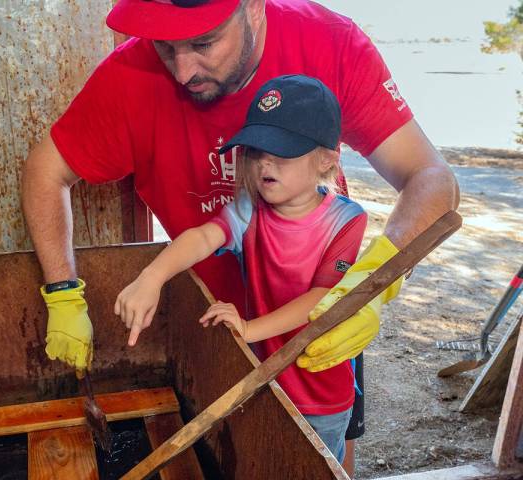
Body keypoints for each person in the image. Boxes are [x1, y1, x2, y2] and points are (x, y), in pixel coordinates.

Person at [21, 0, 459, 473]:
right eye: (166, 48)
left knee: (324, 455)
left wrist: (373, 283)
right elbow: (46, 171)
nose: (184, 71)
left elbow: (432, 178)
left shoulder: (329, 43)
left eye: (204, 43)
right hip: (221, 328)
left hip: (321, 321)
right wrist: (63, 291)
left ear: (253, 7)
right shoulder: (131, 75)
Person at [115, 74, 377, 462]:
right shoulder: (249, 209)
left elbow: (321, 297)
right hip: (264, 381)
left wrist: (248, 328)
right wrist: (151, 277)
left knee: (316, 468)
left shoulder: (346, 219)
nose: (264, 163)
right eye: (255, 151)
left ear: (326, 159)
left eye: (282, 152)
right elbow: (205, 237)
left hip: (321, 389)